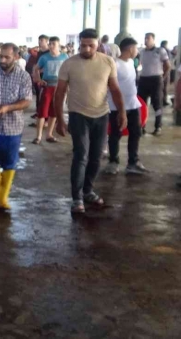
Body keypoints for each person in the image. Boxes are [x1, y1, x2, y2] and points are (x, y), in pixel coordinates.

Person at [54, 29, 126, 214]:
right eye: (83, 45)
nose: (86, 49)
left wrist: (122, 112)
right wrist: (60, 120)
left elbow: (115, 89)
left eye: (91, 45)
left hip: (102, 116)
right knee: (81, 155)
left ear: (98, 44)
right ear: (79, 43)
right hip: (78, 116)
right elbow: (60, 93)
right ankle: (77, 198)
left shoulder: (108, 62)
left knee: (96, 156)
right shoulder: (69, 64)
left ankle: (88, 190)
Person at [0, 43, 33, 211]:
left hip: (12, 128)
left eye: (6, 57)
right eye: (1, 56)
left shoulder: (24, 77)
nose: (2, 59)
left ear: (16, 57)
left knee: (9, 162)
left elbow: (26, 101)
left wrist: (8, 108)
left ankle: (2, 197)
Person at [104, 37, 148, 175]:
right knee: (115, 134)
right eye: (135, 48)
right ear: (130, 49)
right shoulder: (114, 64)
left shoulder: (131, 62)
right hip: (116, 106)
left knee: (136, 132)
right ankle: (113, 162)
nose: (137, 51)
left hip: (133, 104)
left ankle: (133, 162)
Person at [32, 36, 68, 144]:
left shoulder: (64, 57)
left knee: (54, 112)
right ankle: (38, 136)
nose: (51, 46)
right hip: (47, 86)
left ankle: (49, 134)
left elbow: (68, 71)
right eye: (50, 44)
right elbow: (36, 69)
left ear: (59, 45)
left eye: (54, 44)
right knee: (42, 112)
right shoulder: (44, 57)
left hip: (59, 88)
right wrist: (38, 79)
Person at [137, 32, 170, 136]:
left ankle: (158, 126)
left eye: (148, 38)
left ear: (153, 40)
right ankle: (141, 126)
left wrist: (162, 78)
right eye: (145, 38)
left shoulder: (160, 51)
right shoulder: (142, 52)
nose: (146, 40)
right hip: (143, 79)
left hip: (156, 79)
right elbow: (139, 65)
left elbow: (167, 66)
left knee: (157, 103)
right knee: (142, 103)